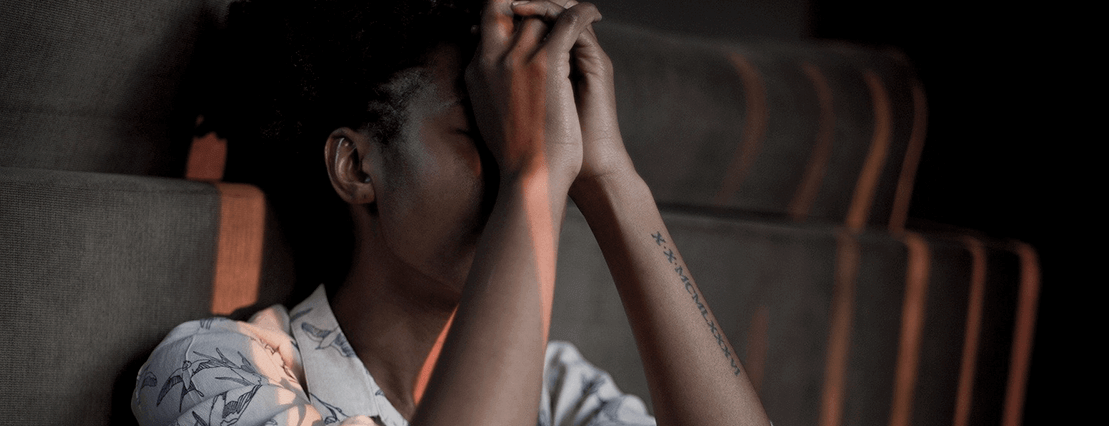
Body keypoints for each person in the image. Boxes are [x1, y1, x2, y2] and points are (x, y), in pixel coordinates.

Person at [131, 0, 772, 424]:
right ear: (357, 168)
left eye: (540, 138)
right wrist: (533, 173)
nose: (523, 161)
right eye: (485, 134)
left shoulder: (559, 395)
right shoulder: (212, 374)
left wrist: (613, 181)